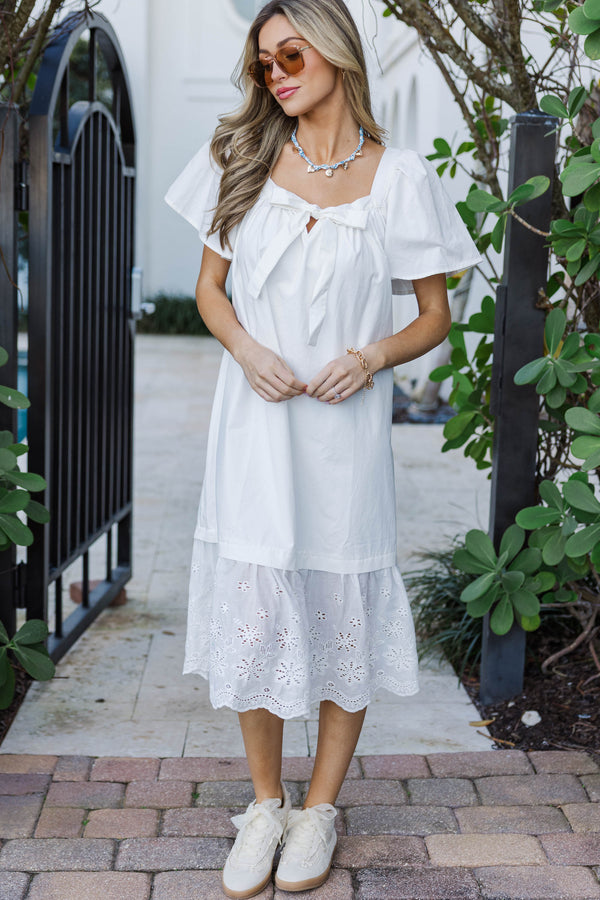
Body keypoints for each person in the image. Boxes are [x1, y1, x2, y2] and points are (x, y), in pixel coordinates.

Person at [165, 1, 481, 895]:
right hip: (256, 427)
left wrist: (371, 357)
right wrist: (249, 351)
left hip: (345, 433)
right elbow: (209, 290)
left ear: (337, 51)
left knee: (342, 604)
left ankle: (320, 810)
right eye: (264, 63)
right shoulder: (240, 157)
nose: (276, 74)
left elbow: (433, 318)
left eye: (290, 53)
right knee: (260, 610)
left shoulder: (401, 176)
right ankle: (264, 805)